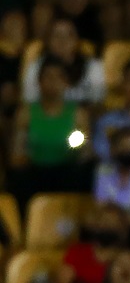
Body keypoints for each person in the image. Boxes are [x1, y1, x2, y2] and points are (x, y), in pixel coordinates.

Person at [9, 57, 91, 205]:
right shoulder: (25, 113)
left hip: (66, 171)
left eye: (58, 77)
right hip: (36, 171)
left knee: (83, 172)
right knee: (18, 177)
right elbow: (17, 154)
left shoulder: (78, 114)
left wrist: (78, 152)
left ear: (66, 82)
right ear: (39, 82)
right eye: (48, 77)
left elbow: (85, 152)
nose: (53, 82)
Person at [21, 15, 104, 105]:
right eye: (57, 35)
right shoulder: (36, 67)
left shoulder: (93, 66)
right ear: (48, 41)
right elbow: (29, 100)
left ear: (77, 40)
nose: (62, 41)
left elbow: (98, 101)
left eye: (68, 35)